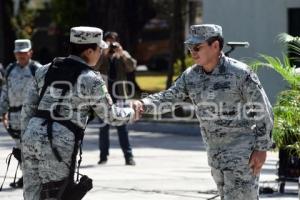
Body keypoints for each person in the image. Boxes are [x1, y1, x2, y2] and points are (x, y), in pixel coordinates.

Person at [132, 24, 274, 200]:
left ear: (215, 46)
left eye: (197, 47)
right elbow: (170, 97)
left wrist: (262, 148)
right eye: (190, 48)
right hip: (215, 156)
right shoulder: (191, 76)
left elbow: (263, 110)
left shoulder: (240, 73)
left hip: (242, 156)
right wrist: (143, 104)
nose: (192, 52)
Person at [20, 26, 137, 200]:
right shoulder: (91, 79)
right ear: (90, 51)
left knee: (32, 195)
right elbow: (110, 115)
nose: (101, 53)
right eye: (100, 49)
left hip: (31, 137)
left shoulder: (44, 69)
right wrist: (132, 112)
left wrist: (23, 142)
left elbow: (28, 109)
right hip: (59, 143)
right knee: (56, 194)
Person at [0, 39, 42, 188]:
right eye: (18, 53)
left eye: (24, 53)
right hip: (14, 117)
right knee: (20, 148)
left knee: (31, 148)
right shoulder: (10, 69)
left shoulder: (37, 69)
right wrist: (1, 111)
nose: (21, 56)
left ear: (30, 52)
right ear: (15, 54)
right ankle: (27, 176)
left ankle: (32, 178)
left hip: (32, 116)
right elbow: (5, 92)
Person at [95, 31, 137, 165]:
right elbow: (94, 67)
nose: (111, 44)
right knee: (103, 127)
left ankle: (128, 157)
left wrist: (122, 53)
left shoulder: (121, 55)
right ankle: (103, 157)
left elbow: (132, 67)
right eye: (108, 41)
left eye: (113, 41)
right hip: (104, 96)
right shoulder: (101, 55)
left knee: (122, 127)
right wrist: (104, 53)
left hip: (119, 95)